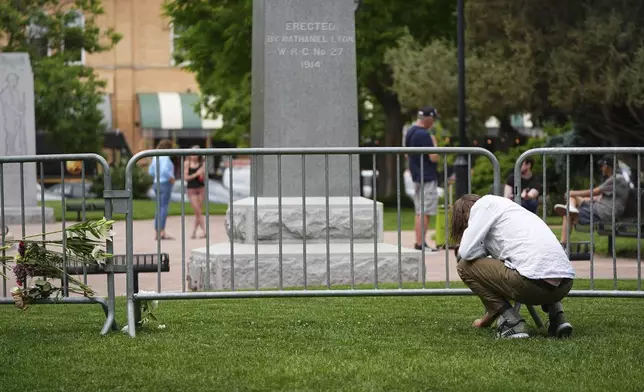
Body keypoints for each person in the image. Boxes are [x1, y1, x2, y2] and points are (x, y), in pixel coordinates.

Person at [451, 194, 575, 339]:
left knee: (464, 266)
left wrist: (479, 250)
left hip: (531, 286)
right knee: (540, 266)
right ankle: (558, 319)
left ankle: (512, 322)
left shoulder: (483, 206)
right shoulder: (511, 211)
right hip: (565, 285)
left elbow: (465, 252)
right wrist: (484, 321)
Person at [553, 155, 630, 246]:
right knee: (573, 200)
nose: (601, 168)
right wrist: (581, 199)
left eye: (602, 166)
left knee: (567, 214)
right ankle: (571, 208)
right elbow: (597, 197)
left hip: (603, 212)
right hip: (599, 208)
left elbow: (595, 192)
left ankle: (563, 245)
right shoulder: (614, 179)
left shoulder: (617, 179)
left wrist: (573, 192)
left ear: (607, 166)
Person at [405, 106, 440, 252]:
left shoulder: (410, 132)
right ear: (428, 119)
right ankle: (421, 243)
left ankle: (419, 242)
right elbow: (433, 157)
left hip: (417, 175)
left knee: (419, 210)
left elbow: (406, 154)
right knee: (425, 211)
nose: (433, 123)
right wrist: (435, 143)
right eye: (433, 120)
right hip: (427, 176)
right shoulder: (424, 135)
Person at [148, 139, 176, 240]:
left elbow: (150, 171)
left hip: (156, 183)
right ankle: (162, 231)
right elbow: (164, 170)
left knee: (158, 208)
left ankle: (157, 232)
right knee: (164, 207)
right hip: (165, 183)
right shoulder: (165, 157)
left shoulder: (156, 157)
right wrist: (171, 177)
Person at [184, 146, 207, 239]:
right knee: (197, 210)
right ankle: (204, 230)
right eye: (193, 153)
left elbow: (203, 177)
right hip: (191, 189)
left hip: (201, 187)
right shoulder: (187, 163)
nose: (194, 156)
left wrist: (202, 174)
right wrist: (196, 173)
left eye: (196, 154)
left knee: (199, 211)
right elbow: (186, 177)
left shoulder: (202, 163)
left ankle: (194, 232)